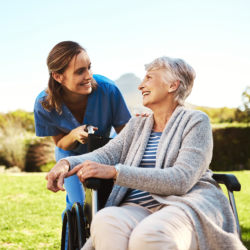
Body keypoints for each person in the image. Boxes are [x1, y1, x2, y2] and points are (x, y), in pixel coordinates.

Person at [45, 56, 246, 250]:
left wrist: (116, 172)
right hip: (136, 207)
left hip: (183, 204)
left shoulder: (195, 121)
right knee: (105, 222)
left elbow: (181, 179)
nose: (141, 85)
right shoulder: (138, 124)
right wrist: (67, 163)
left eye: (149, 78)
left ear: (172, 85)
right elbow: (105, 155)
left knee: (149, 235)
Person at [34, 41, 132, 249]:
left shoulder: (108, 90)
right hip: (68, 156)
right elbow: (60, 142)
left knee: (107, 204)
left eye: (89, 67)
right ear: (58, 76)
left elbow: (128, 137)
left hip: (106, 153)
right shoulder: (44, 103)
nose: (89, 76)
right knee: (79, 206)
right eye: (80, 71)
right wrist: (74, 134)